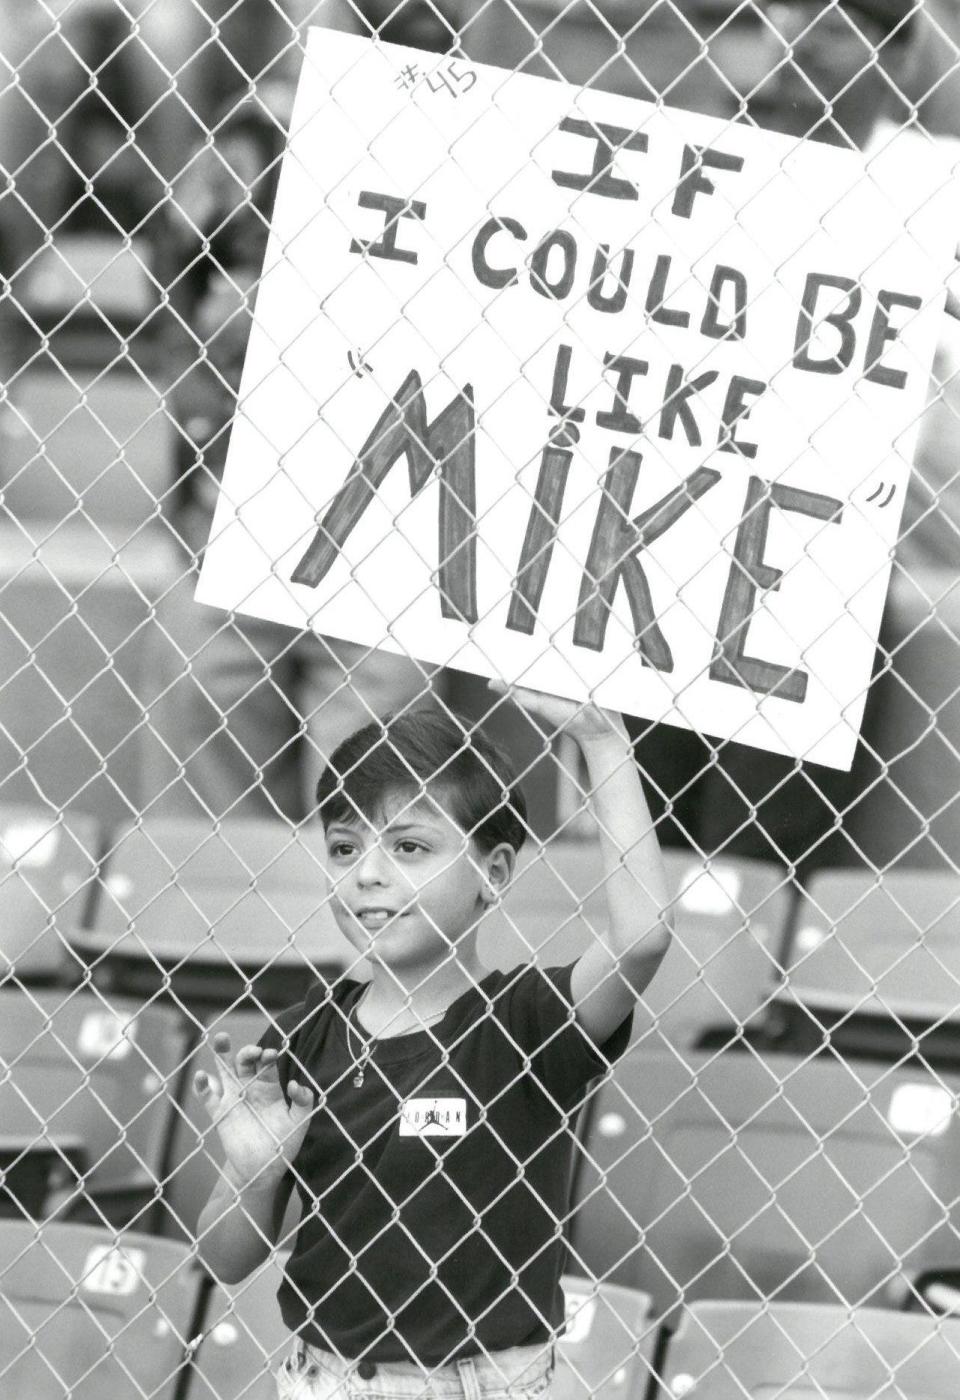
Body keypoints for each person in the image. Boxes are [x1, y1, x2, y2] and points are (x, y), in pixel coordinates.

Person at [190, 686, 673, 1386]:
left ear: (494, 873)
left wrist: (604, 744)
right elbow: (222, 1258)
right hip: (320, 1378)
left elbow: (641, 940)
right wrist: (251, 1178)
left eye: (410, 847)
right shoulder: (301, 1037)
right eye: (345, 847)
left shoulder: (527, 1022)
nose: (370, 874)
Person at [643, 0, 960, 870]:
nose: (797, 42)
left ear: (897, 57)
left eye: (832, 24)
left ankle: (734, 989)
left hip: (821, 550)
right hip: (666, 535)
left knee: (751, 843)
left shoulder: (933, 193)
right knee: (639, 828)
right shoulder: (699, 164)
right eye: (781, 17)